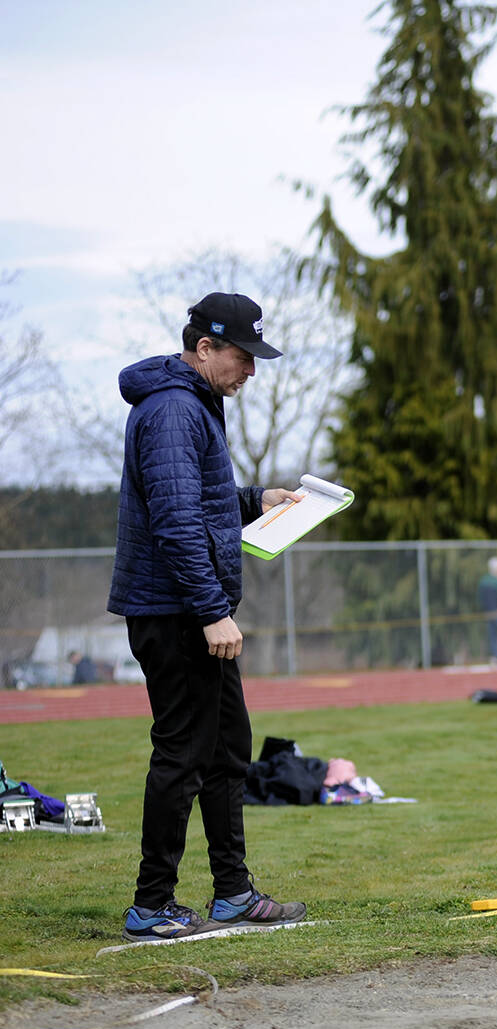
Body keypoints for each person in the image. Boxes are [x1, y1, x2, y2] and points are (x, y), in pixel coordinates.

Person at [107, 292, 306, 942]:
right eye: (243, 357)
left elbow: (200, 500)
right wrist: (213, 612)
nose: (251, 370)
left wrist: (256, 499)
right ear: (205, 348)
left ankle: (233, 893)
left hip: (192, 608)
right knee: (183, 755)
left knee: (227, 751)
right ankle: (151, 904)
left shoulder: (193, 406)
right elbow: (175, 521)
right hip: (177, 612)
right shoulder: (170, 409)